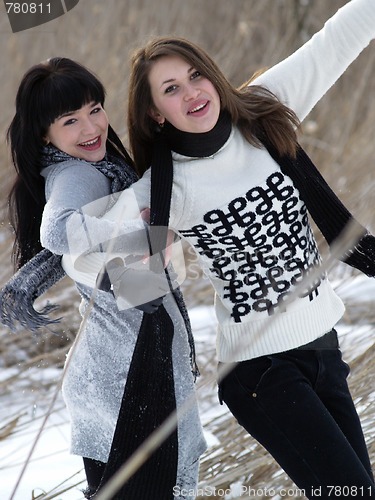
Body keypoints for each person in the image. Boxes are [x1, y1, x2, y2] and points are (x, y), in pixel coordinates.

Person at [62, 0, 375, 496]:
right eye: (171, 89)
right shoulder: (164, 189)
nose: (191, 93)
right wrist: (149, 255)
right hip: (261, 372)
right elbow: (74, 246)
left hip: (323, 347)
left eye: (194, 76)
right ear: (153, 112)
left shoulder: (265, 109)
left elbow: (337, 39)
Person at [2, 57, 206, 499]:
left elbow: (124, 277)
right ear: (45, 134)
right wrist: (136, 231)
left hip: (123, 368)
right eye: (70, 120)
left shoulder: (101, 167)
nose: (91, 127)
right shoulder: (77, 174)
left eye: (95, 109)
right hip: (128, 382)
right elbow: (57, 231)